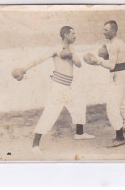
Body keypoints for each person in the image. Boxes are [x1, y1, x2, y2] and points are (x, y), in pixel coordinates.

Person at [12, 26, 95, 154]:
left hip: (68, 87)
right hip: (58, 88)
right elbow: (40, 59)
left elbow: (79, 64)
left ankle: (79, 133)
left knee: (79, 104)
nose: (75, 36)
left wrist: (71, 54)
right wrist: (24, 69)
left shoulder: (72, 48)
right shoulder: (56, 49)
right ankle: (35, 145)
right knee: (50, 113)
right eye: (72, 33)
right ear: (66, 35)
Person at [83, 20, 125, 147]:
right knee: (122, 102)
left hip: (119, 76)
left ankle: (120, 137)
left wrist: (97, 61)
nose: (103, 32)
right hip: (122, 75)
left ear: (113, 30)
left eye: (106, 30)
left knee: (112, 107)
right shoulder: (115, 43)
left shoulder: (115, 44)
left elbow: (111, 66)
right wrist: (105, 57)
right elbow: (115, 61)